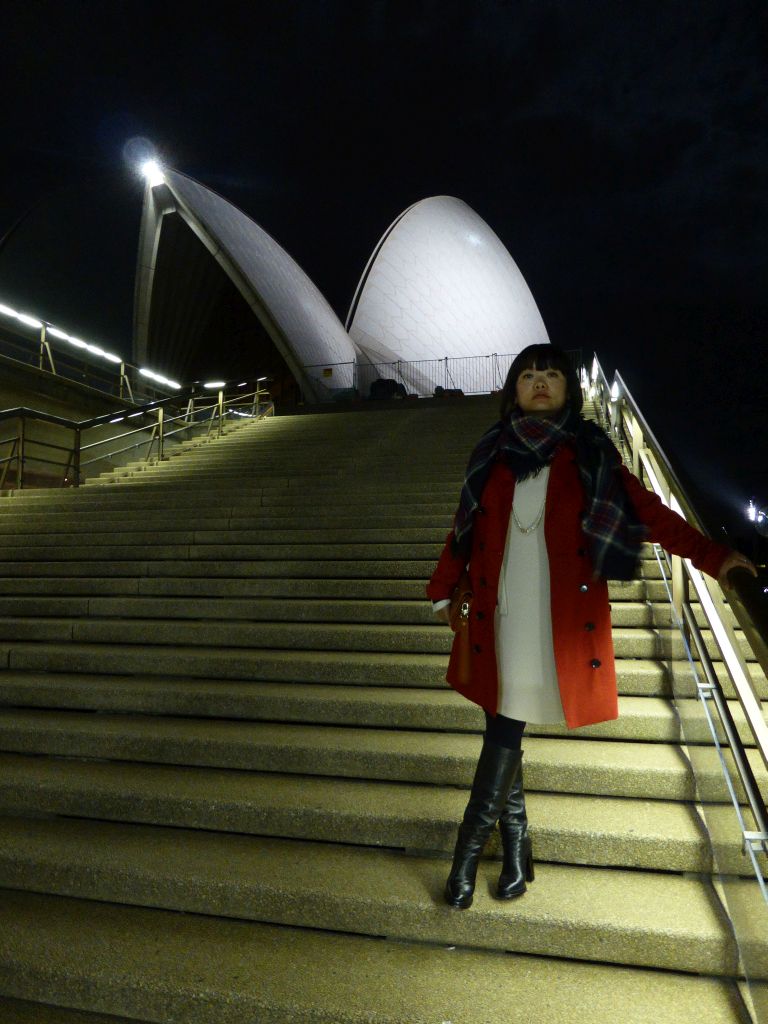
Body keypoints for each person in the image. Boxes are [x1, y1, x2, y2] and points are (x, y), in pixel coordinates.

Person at [427, 344, 757, 910]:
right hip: (497, 611)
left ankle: (465, 861)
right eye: (528, 374)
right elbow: (464, 527)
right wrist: (443, 586)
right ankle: (516, 851)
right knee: (504, 727)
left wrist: (714, 556)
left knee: (504, 731)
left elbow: (649, 513)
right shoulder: (492, 452)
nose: (539, 382)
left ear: (569, 390)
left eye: (550, 374)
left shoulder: (592, 451)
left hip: (553, 618)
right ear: (514, 389)